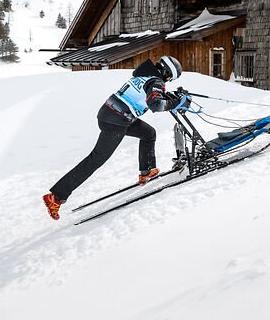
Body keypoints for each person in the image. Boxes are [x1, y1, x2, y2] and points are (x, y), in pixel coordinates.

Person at [42, 56, 188, 220]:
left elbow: (152, 96)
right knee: (96, 159)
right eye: (170, 78)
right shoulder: (156, 81)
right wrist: (177, 102)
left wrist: (174, 98)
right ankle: (56, 196)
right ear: (167, 73)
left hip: (113, 114)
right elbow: (156, 104)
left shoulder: (144, 75)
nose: (168, 81)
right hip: (116, 121)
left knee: (148, 133)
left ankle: (146, 171)